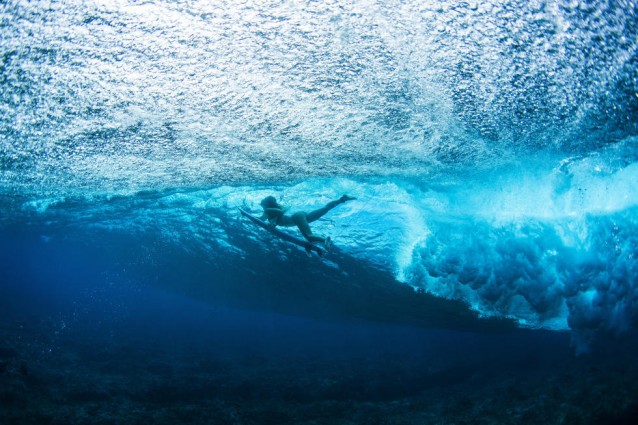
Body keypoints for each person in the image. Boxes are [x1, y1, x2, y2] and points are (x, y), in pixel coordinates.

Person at [260, 194, 356, 249]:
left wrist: (272, 223)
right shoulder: (278, 207)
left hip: (297, 218)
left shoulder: (267, 211)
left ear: (266, 204)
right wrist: (273, 223)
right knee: (325, 209)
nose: (262, 207)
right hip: (300, 215)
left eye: (262, 205)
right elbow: (283, 211)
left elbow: (261, 219)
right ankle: (342, 199)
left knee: (309, 237)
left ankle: (325, 240)